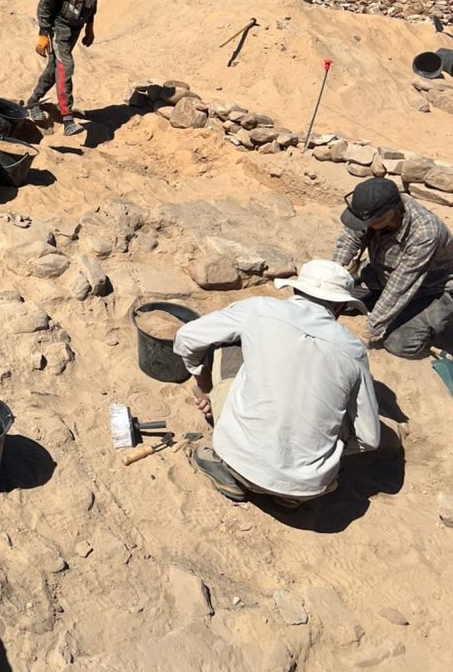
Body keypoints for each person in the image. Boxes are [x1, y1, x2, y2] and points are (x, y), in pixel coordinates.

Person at [172, 259, 380, 507]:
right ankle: (288, 494)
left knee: (226, 344)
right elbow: (370, 438)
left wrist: (205, 389)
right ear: (340, 306)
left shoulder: (259, 310)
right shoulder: (353, 350)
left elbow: (186, 338)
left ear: (297, 289)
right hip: (309, 488)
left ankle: (228, 471)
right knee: (345, 409)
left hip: (239, 461)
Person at [333, 177, 453, 358]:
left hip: (431, 289)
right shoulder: (372, 207)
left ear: (388, 215)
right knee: (339, 298)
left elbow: (399, 288)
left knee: (399, 343)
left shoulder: (424, 233)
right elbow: (350, 239)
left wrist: (368, 331)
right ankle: (380, 302)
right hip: (384, 272)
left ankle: (439, 324)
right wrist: (334, 273)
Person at [26, 0, 110, 137]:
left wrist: (90, 26)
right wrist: (44, 32)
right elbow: (46, 2)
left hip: (77, 24)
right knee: (66, 66)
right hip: (59, 24)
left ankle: (33, 101)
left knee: (55, 68)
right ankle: (68, 118)